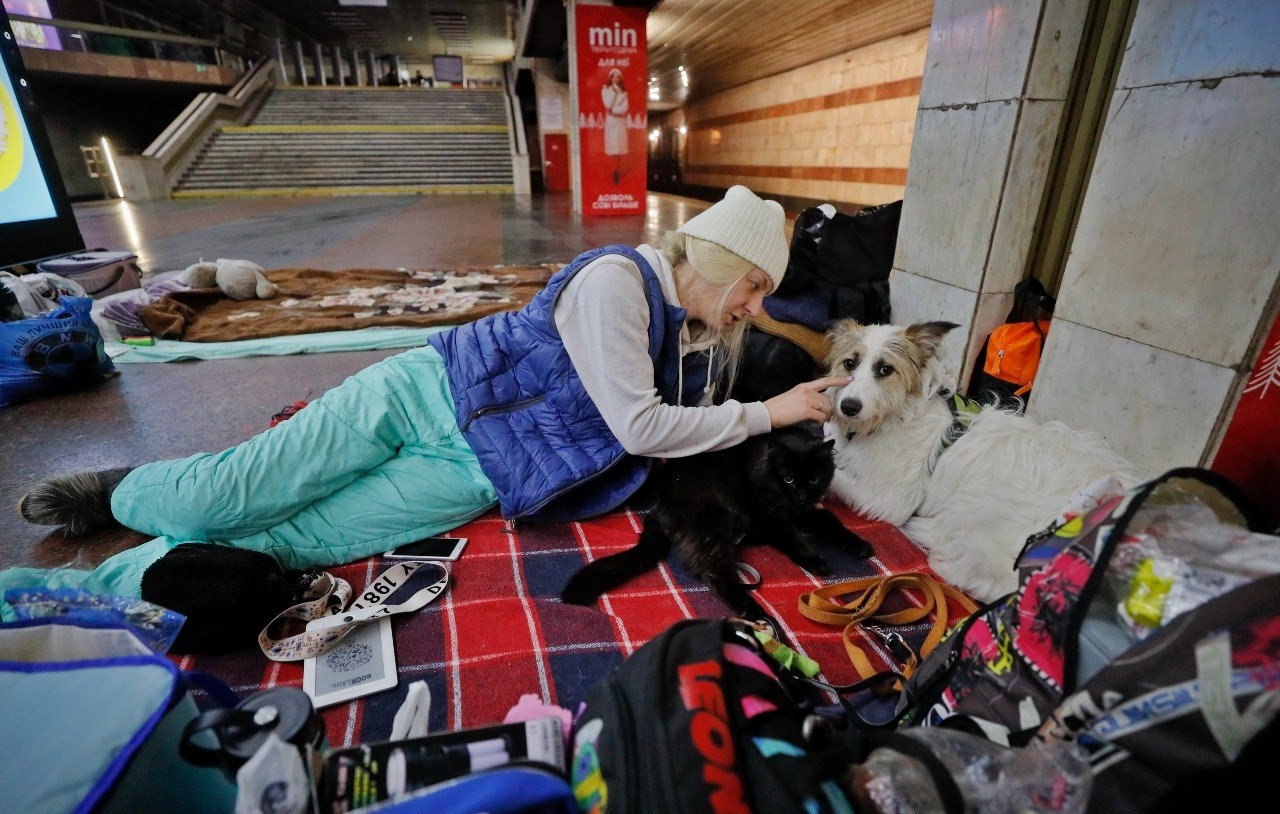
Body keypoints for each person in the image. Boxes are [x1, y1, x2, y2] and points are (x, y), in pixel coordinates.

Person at [8, 186, 846, 603]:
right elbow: (639, 423)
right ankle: (120, 488)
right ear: (723, 266)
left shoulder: (678, 324)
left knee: (296, 544)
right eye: (750, 290)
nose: (749, 308)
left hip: (479, 471)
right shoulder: (619, 283)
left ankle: (105, 587)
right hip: (422, 397)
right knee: (231, 492)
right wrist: (775, 411)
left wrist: (811, 378)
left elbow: (660, 413)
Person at [601, 68, 629, 184]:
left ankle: (618, 171)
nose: (616, 79)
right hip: (611, 123)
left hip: (620, 123)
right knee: (612, 150)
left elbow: (625, 108)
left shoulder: (624, 93)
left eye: (618, 77)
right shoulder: (605, 90)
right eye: (614, 76)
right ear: (610, 78)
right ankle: (612, 172)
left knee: (619, 151)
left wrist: (614, 110)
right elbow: (607, 104)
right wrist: (614, 92)